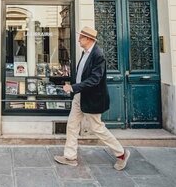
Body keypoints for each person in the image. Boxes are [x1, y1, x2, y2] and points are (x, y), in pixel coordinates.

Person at [54, 26, 130, 171]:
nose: (78, 40)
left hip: (91, 98)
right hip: (79, 96)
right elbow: (82, 75)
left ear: (89, 39)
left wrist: (73, 87)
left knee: (97, 128)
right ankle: (70, 157)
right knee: (72, 125)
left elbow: (95, 79)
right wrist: (75, 87)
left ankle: (121, 154)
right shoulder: (85, 53)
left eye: (81, 37)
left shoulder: (98, 55)